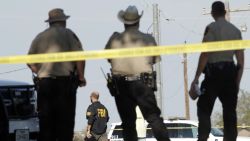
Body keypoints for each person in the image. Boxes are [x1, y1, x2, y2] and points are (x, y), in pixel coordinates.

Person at [105, 5, 170, 141]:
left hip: (122, 86)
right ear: (138, 21)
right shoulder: (147, 39)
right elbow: (154, 60)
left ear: (124, 22)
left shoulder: (115, 39)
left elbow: (109, 58)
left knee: (128, 124)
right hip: (143, 83)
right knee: (153, 118)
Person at [27, 8, 86, 141]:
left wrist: (40, 72)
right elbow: (80, 57)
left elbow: (29, 61)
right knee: (65, 123)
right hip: (64, 85)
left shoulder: (40, 37)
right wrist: (81, 77)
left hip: (45, 85)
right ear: (63, 21)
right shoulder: (69, 34)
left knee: (46, 123)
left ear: (50, 22)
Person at [191, 1, 244, 141]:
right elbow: (241, 62)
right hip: (229, 74)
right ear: (225, 12)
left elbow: (205, 54)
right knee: (230, 113)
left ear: (212, 13)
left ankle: (203, 137)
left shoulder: (210, 28)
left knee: (203, 108)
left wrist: (196, 78)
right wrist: (236, 83)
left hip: (213, 75)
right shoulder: (235, 31)